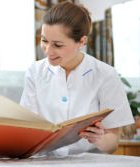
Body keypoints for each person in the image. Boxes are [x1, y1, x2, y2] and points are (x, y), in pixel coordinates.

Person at [20, 1, 134, 157]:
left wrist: (98, 139)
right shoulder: (34, 72)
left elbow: (113, 143)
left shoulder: (106, 75)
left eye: (58, 45)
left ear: (81, 41)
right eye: (44, 40)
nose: (48, 51)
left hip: (88, 161)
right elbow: (27, 128)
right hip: (44, 160)